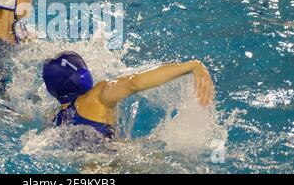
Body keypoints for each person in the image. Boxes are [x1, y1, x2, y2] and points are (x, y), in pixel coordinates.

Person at [42, 51, 214, 138]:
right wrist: (191, 66)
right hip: (112, 157)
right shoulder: (96, 96)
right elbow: (134, 82)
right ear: (83, 75)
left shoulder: (56, 118)